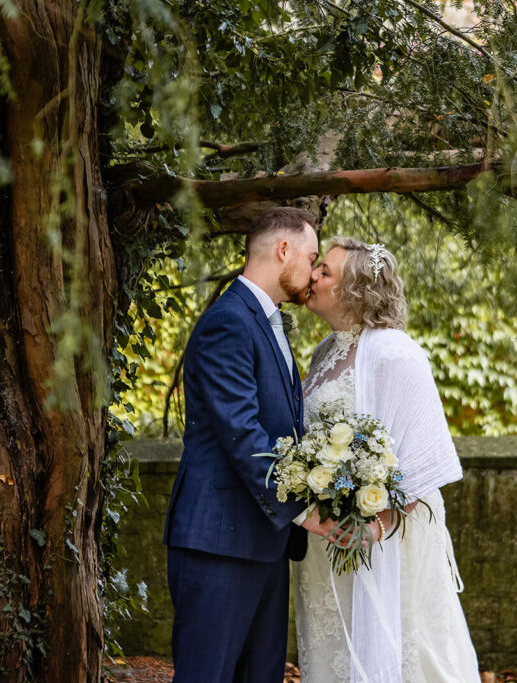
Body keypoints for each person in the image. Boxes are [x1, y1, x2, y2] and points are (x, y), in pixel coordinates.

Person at [162, 208, 367, 682]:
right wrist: (304, 510)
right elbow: (243, 435)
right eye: (312, 257)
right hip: (219, 543)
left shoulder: (267, 320)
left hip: (264, 541)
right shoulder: (228, 322)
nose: (314, 272)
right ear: (282, 251)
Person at [294, 236, 480, 682]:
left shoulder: (396, 353)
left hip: (385, 539)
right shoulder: (324, 352)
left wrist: (376, 527)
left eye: (326, 271)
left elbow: (423, 459)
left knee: (406, 649)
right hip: (330, 539)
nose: (313, 276)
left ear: (354, 291)